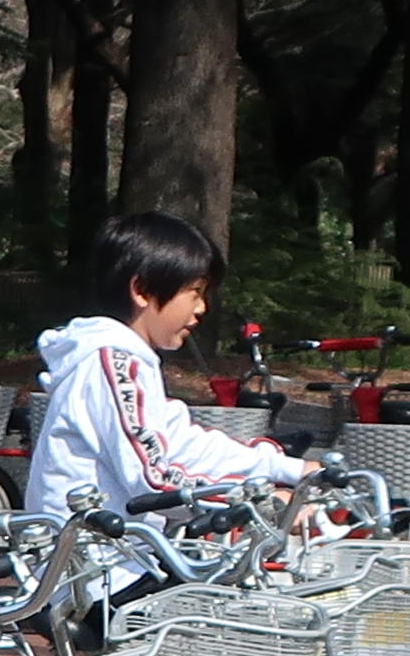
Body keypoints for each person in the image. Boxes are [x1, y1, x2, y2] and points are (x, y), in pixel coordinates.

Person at [27, 209, 305, 522]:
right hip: (96, 564)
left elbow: (184, 445)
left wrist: (289, 469)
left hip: (127, 556)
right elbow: (152, 481)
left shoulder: (130, 363)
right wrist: (261, 502)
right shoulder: (111, 364)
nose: (202, 308)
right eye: (195, 291)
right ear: (142, 290)